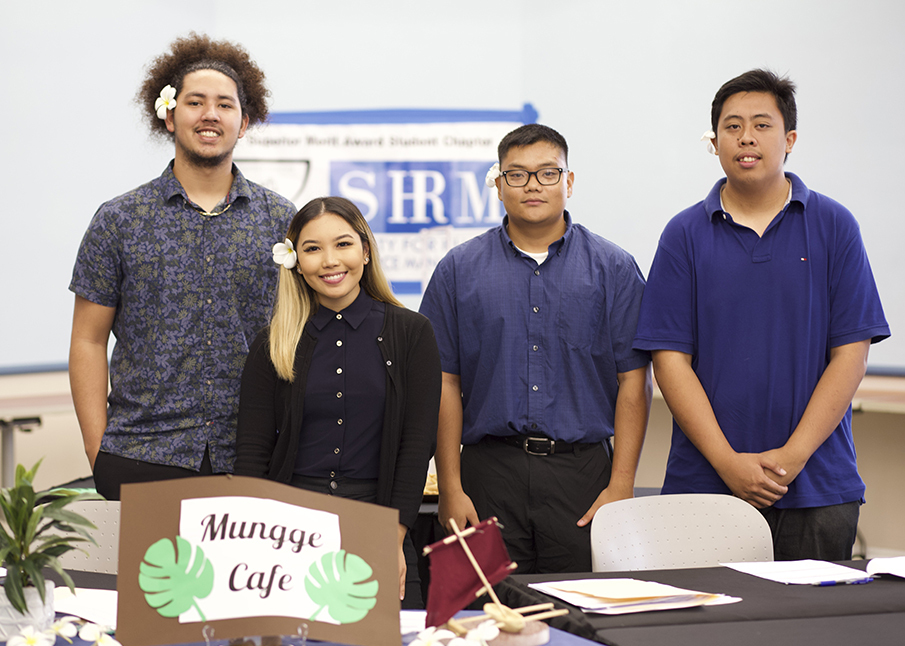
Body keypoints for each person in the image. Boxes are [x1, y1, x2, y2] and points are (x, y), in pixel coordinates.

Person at [633, 69, 890, 560]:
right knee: (706, 633)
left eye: (761, 125)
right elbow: (670, 362)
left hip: (817, 486)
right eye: (731, 127)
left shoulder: (835, 225)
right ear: (714, 142)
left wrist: (790, 460)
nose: (746, 137)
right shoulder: (684, 234)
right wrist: (728, 463)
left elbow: (851, 354)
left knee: (810, 633)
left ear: (789, 138)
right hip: (704, 485)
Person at [68, 33, 296, 501]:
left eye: (225, 105)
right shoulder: (120, 220)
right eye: (195, 102)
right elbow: (88, 340)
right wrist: (99, 452)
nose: (210, 114)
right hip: (142, 453)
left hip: (256, 456)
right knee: (151, 579)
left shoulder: (283, 220)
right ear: (169, 115)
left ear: (244, 122)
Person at [419, 124, 652, 574]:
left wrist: (622, 483)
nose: (532, 185)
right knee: (487, 614)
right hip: (487, 475)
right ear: (498, 184)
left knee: (582, 615)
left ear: (569, 182)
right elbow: (443, 383)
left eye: (548, 173)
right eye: (517, 174)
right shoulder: (458, 270)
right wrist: (451, 485)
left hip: (582, 475)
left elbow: (633, 381)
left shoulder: (614, 268)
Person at [234, 196, 441, 607]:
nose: (330, 261)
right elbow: (252, 453)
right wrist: (253, 539)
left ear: (365, 251)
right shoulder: (272, 343)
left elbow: (416, 447)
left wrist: (393, 535)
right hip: (286, 528)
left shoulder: (412, 333)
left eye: (343, 244)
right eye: (312, 249)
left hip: (377, 519)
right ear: (295, 261)